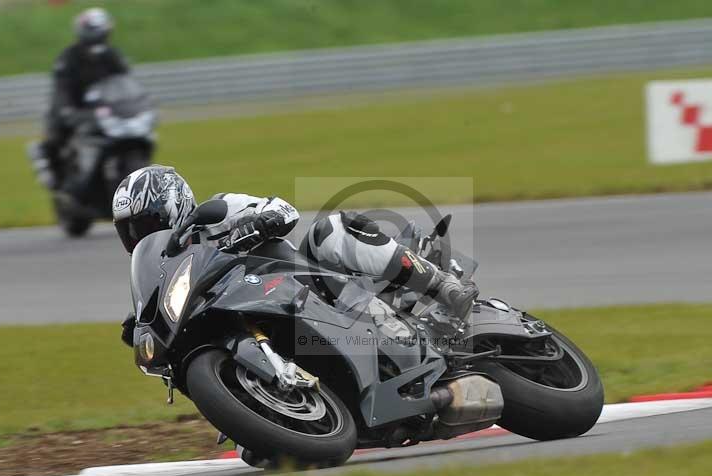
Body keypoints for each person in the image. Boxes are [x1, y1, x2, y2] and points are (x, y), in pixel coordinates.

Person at [113, 165, 479, 342]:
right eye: (129, 231)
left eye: (146, 222)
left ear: (172, 204)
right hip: (261, 320)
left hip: (307, 285)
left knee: (328, 231)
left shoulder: (219, 210)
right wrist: (144, 326)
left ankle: (442, 286)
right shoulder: (166, 269)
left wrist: (259, 223)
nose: (140, 235)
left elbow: (285, 210)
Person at [36, 8, 129, 189]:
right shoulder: (69, 57)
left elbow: (125, 82)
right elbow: (62, 89)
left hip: (107, 112)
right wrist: (67, 110)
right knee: (56, 134)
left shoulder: (112, 55)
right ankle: (49, 165)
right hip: (76, 110)